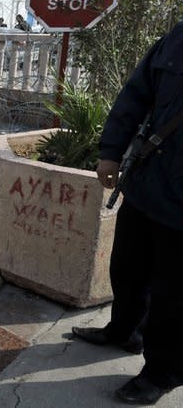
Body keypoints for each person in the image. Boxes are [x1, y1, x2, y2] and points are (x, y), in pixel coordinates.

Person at [71, 22, 183, 404]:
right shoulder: (177, 37)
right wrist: (110, 151)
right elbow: (135, 95)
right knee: (128, 267)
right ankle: (124, 331)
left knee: (174, 296)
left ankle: (162, 373)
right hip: (148, 183)